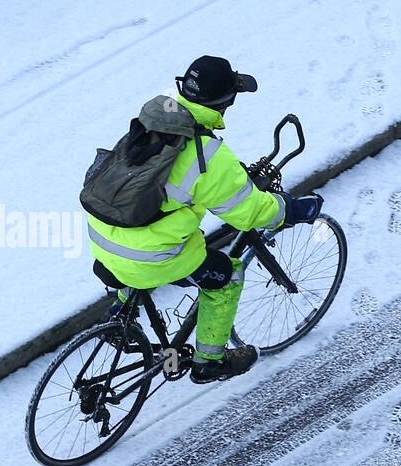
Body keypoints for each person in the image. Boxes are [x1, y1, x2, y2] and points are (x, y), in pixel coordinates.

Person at [88, 55, 321, 383]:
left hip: (102, 235)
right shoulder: (207, 154)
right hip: (146, 256)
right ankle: (208, 362)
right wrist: (291, 210)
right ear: (226, 102)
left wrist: (231, 177)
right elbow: (250, 214)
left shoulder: (158, 116)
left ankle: (119, 316)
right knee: (227, 276)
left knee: (139, 250)